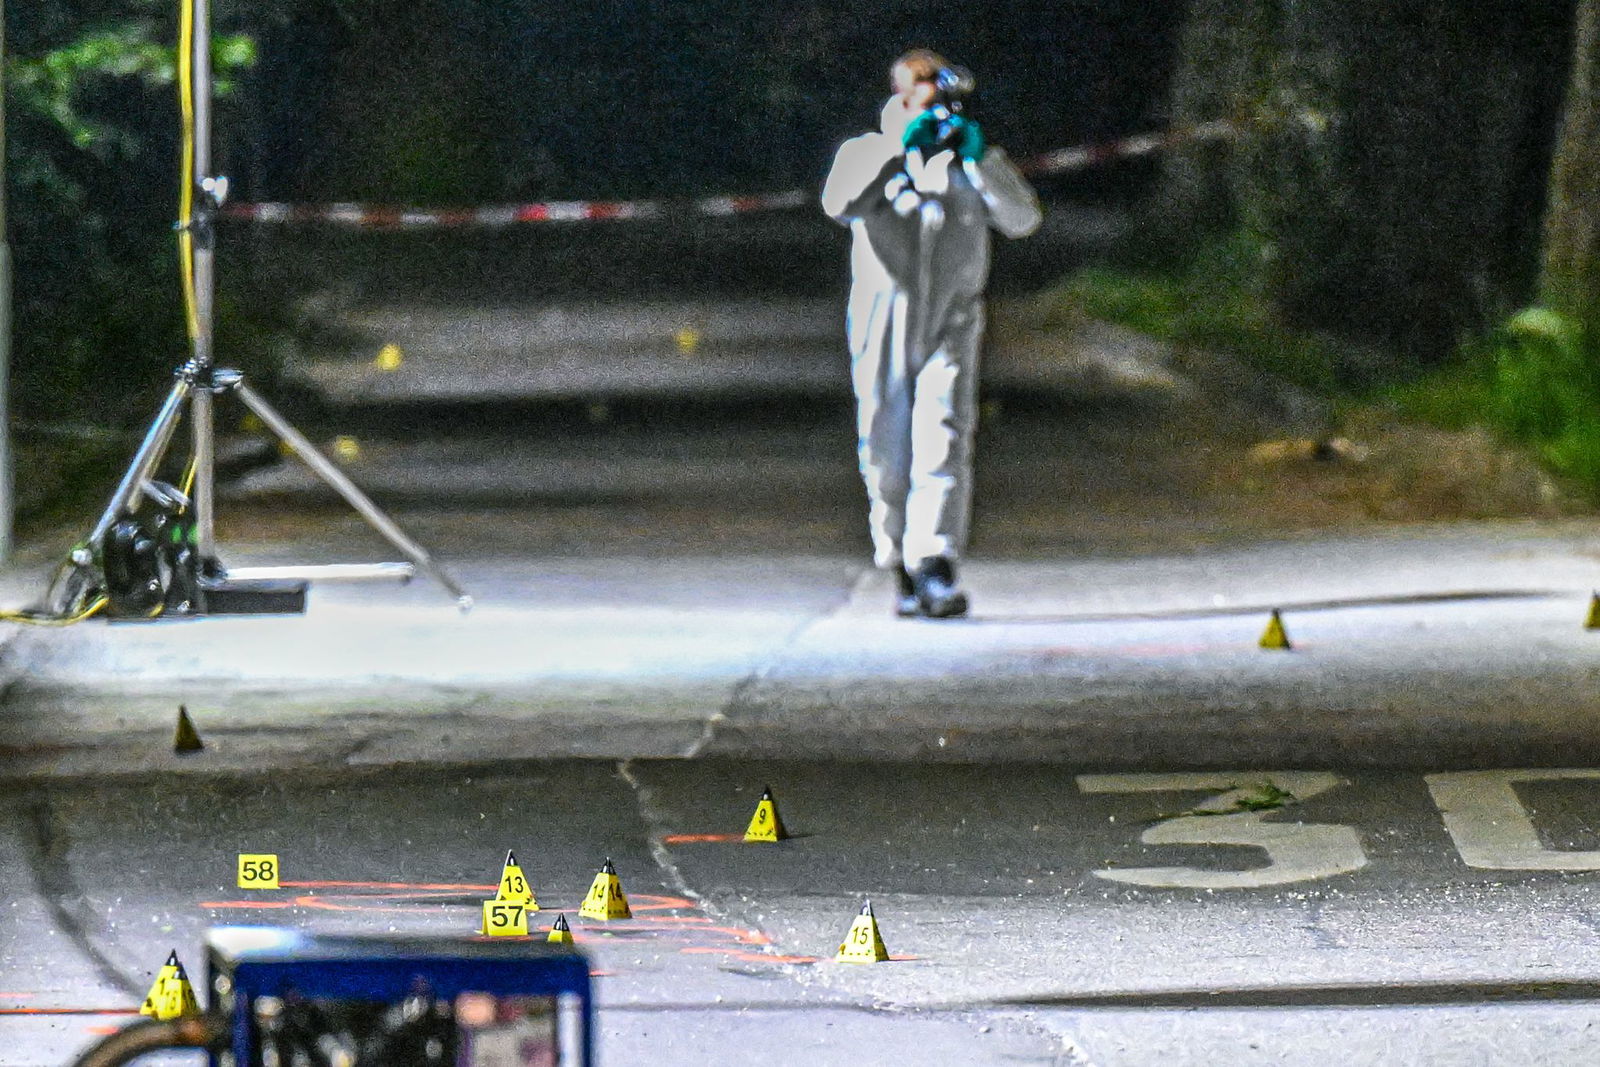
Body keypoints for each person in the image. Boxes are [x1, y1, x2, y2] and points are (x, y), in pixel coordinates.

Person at [821, 49, 1042, 618]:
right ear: (901, 94)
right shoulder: (866, 152)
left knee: (944, 435)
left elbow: (1022, 220)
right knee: (885, 441)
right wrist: (900, 150)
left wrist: (981, 162)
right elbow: (839, 203)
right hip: (884, 315)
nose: (941, 105)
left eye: (948, 95)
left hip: (953, 316)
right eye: (929, 92)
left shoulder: (968, 160)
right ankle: (898, 561)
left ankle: (936, 562)